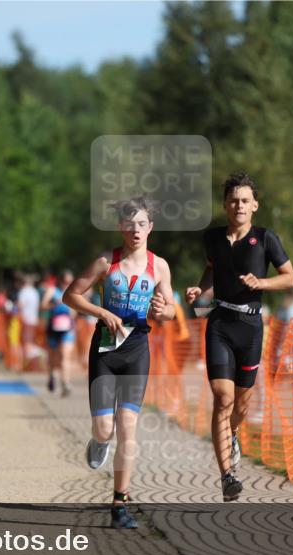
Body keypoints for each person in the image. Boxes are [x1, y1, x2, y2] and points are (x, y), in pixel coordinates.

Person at [63, 197, 176, 529]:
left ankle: (119, 504)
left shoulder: (160, 266)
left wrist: (162, 310)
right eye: (130, 224)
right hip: (105, 350)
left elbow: (170, 311)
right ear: (121, 227)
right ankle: (99, 441)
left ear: (150, 227)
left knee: (128, 428)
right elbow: (71, 295)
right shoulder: (104, 262)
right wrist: (102, 312)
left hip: (137, 349)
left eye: (142, 224)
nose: (136, 230)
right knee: (105, 429)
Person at [186, 172, 293, 501]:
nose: (239, 206)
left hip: (250, 328)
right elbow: (210, 269)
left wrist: (262, 284)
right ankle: (228, 476)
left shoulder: (265, 239)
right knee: (223, 398)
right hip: (219, 323)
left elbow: (289, 277)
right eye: (234, 200)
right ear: (225, 205)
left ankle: (233, 433)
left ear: (255, 205)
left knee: (242, 406)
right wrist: (200, 290)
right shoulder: (213, 239)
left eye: (245, 200)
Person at [42, 269, 76, 397]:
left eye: (69, 282)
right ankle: (52, 376)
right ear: (59, 281)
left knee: (65, 356)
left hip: (68, 328)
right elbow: (42, 305)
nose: (66, 284)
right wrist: (53, 304)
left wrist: (73, 311)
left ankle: (66, 383)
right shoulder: (52, 291)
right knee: (53, 357)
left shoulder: (74, 292)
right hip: (53, 328)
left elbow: (76, 311)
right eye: (64, 281)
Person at [17, 274, 41, 369]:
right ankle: (32, 358)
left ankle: (28, 361)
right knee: (30, 340)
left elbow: (20, 305)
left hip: (25, 319)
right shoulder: (35, 292)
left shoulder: (23, 292)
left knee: (25, 341)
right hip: (33, 319)